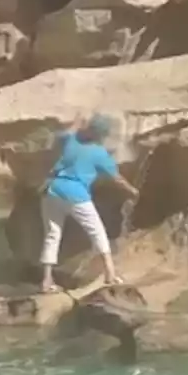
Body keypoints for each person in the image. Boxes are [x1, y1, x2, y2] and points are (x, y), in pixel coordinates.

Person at [38, 112, 140, 293]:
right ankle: (110, 274)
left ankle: (47, 281)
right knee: (97, 231)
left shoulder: (72, 140)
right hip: (76, 194)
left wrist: (78, 121)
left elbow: (64, 132)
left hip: (52, 190)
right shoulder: (99, 153)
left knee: (52, 235)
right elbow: (117, 179)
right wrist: (132, 191)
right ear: (102, 135)